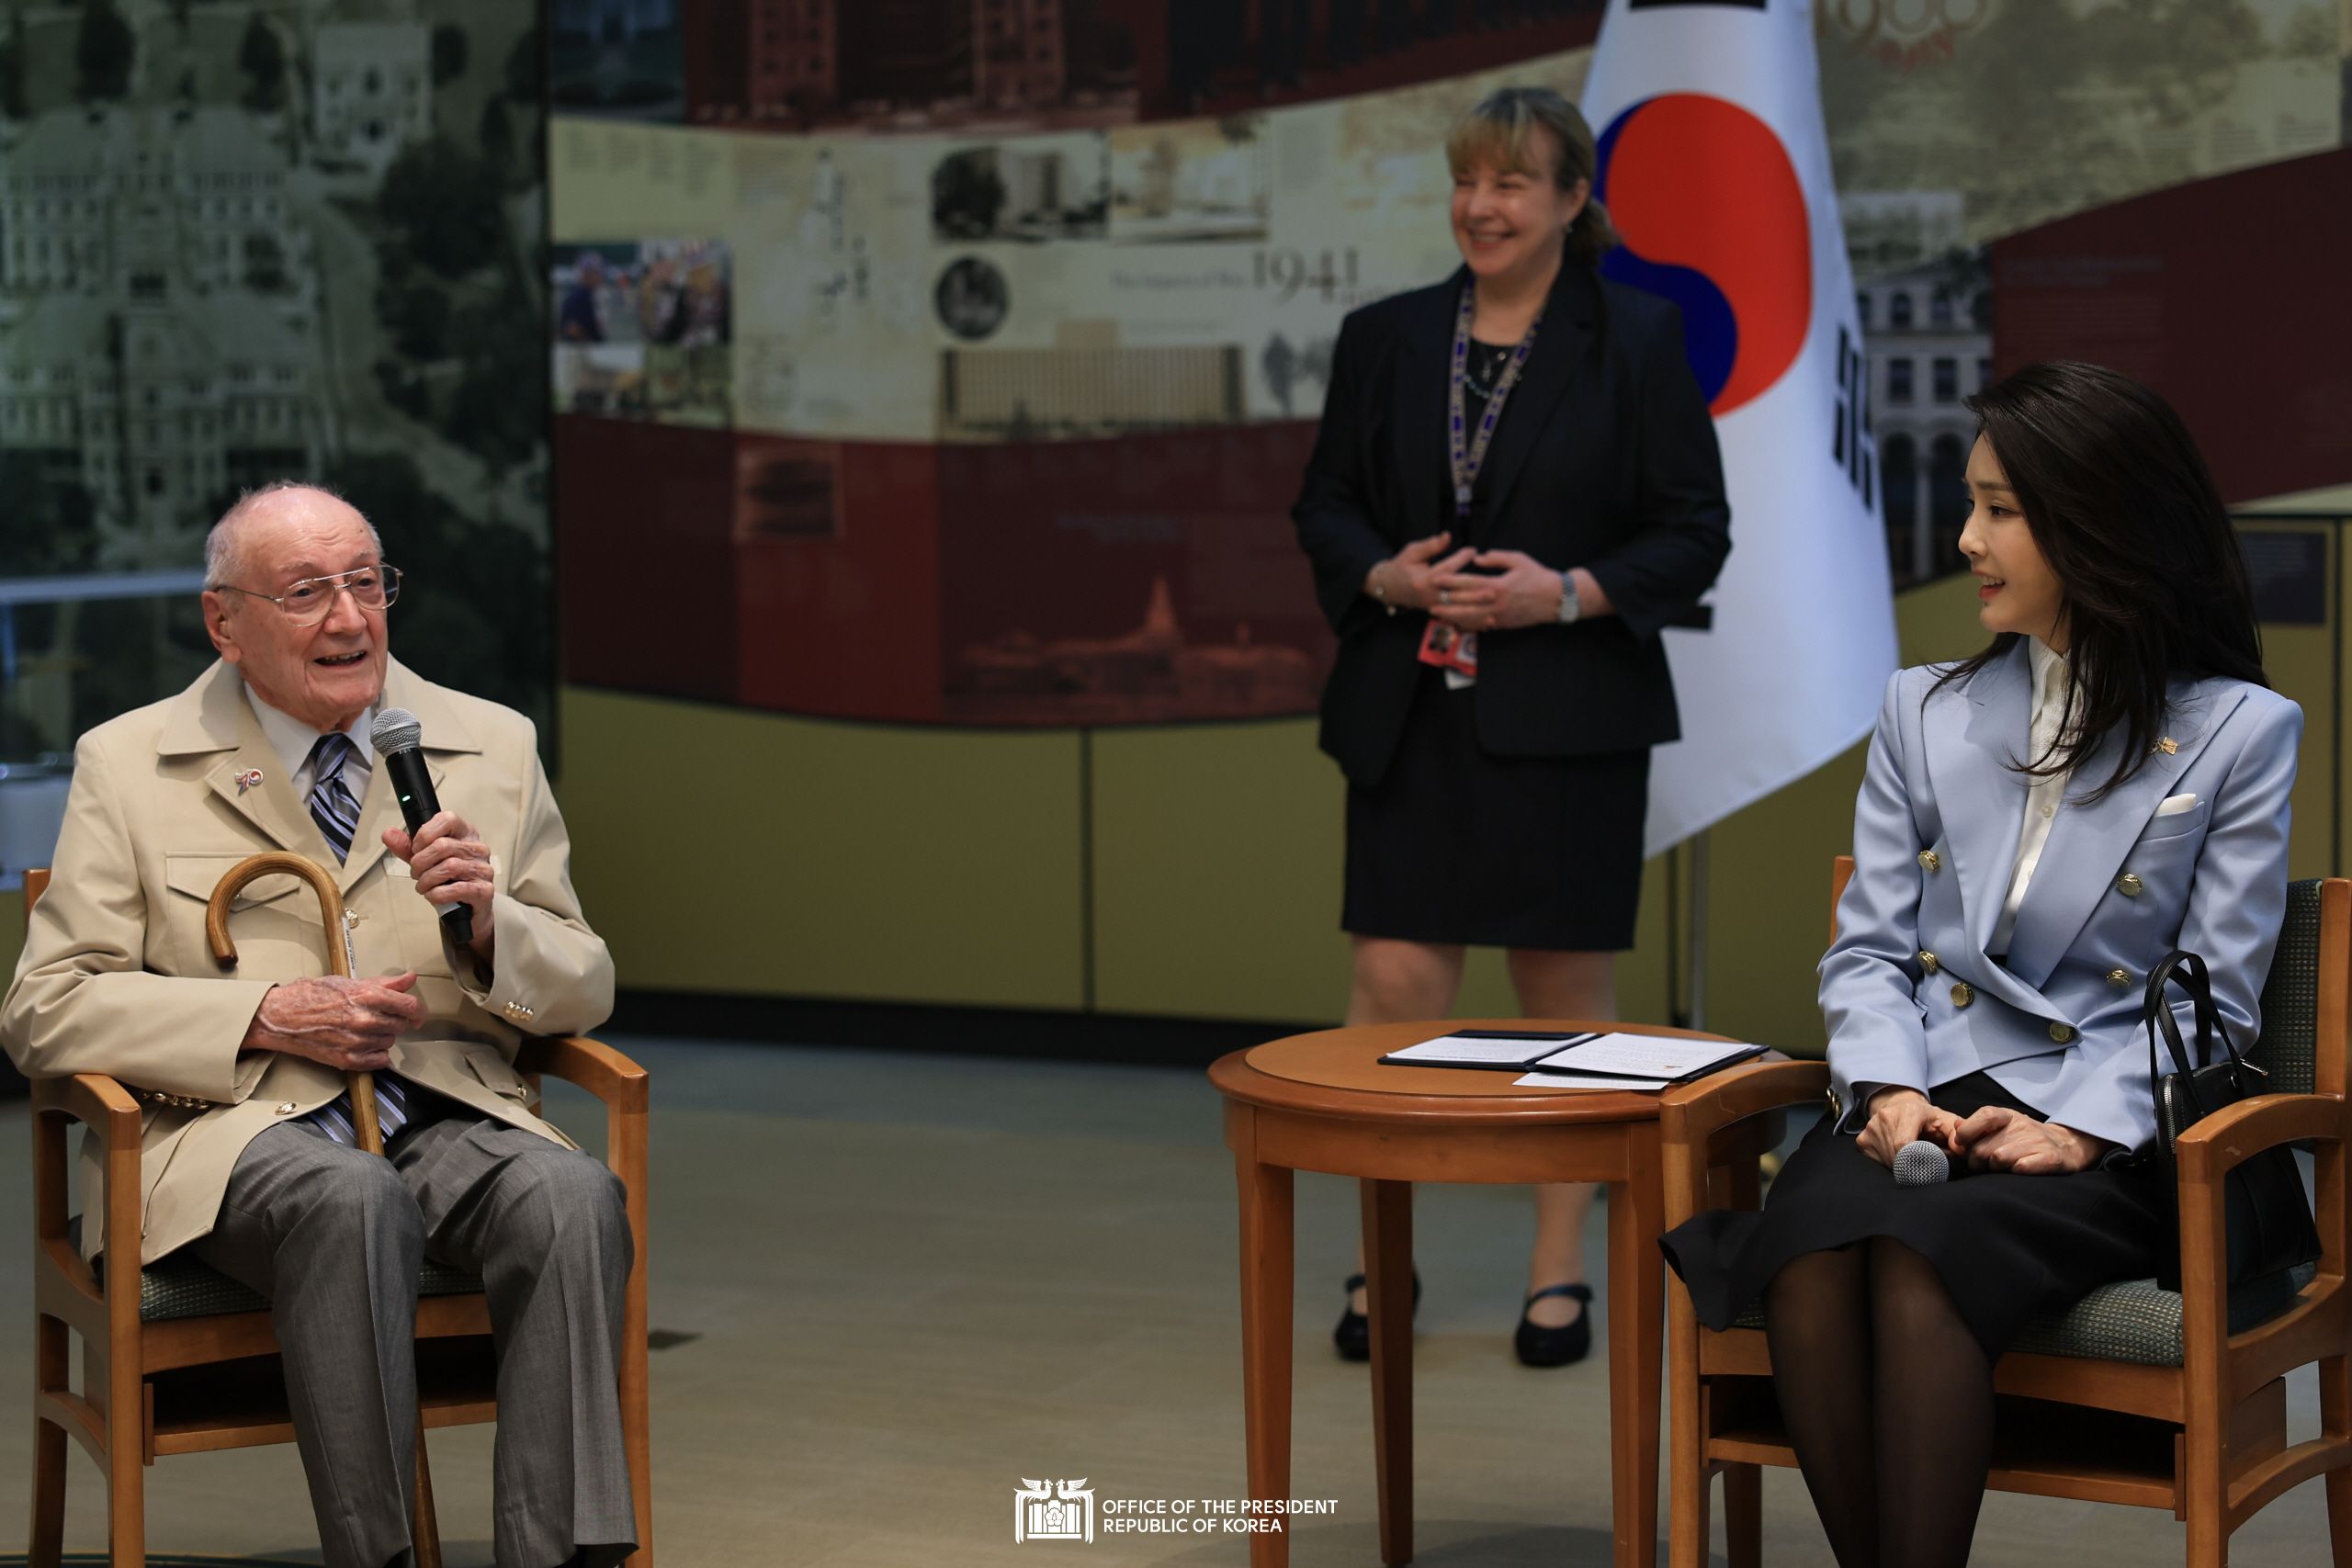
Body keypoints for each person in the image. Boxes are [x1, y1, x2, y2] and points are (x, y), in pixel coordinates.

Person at [1658, 361, 2298, 1568]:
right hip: (1916, 1102)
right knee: (1808, 1255)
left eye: (2002, 508)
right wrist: (1886, 1085)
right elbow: (1868, 951)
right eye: (1973, 502)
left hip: (2099, 1126)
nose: (1968, 538)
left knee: (1914, 1264)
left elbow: (2220, 992)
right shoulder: (1921, 709)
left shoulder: (2240, 729)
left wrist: (2082, 1131)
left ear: (2096, 519)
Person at [2, 483, 636, 1568]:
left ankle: (564, 1555)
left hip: (441, 1107)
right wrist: (262, 1012)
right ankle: (376, 1554)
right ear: (224, 622)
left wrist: (491, 929)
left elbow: (584, 987)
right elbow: (45, 1006)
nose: (349, 620)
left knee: (572, 1195)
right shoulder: (131, 760)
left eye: (365, 584)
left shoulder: (489, 743)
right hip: (228, 1134)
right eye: (306, 592)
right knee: (351, 1198)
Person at [1291, 85, 1730, 1366]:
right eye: (1469, 182)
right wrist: (1389, 576)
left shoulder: (1636, 339)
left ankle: (1559, 1274)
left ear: (1571, 200)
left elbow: (1691, 532)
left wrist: (1567, 594)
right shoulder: (1386, 337)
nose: (1483, 207)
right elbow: (1324, 506)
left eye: (1514, 184)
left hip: (1570, 715)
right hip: (1410, 706)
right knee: (1392, 988)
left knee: (1563, 1010)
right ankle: (1386, 1261)